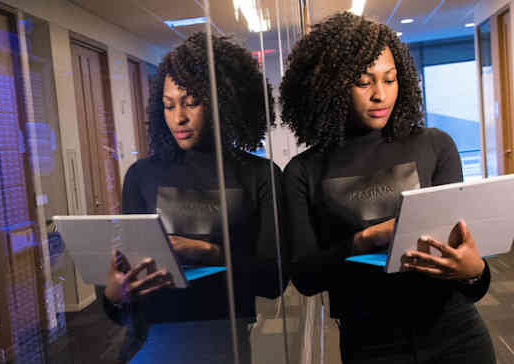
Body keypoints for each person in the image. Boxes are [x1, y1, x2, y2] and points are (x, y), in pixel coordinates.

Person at [280, 12, 495, 364]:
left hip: (456, 335)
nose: (381, 94)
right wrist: (362, 240)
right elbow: (305, 277)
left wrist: (475, 273)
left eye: (390, 79)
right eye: (364, 82)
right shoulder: (304, 171)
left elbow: (468, 271)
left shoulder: (436, 146)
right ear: (331, 87)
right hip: (371, 345)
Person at [101, 32, 285, 363]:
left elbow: (273, 281)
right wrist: (115, 295)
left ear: (222, 102)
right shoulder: (142, 176)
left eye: (191, 102)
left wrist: (206, 250)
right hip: (150, 343)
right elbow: (128, 295)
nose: (179, 118)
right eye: (169, 105)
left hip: (223, 342)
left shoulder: (259, 175)